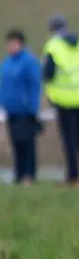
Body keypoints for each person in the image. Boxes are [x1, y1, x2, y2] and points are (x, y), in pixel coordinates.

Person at [42, 15, 79, 186]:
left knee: (69, 139)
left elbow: (48, 73)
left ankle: (73, 176)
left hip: (63, 98)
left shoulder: (53, 46)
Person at [1, 29, 43, 185]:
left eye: (14, 43)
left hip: (25, 110)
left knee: (27, 143)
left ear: (20, 43)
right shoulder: (6, 63)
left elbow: (34, 86)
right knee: (16, 143)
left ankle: (29, 175)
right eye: (9, 43)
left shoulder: (29, 62)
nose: (11, 46)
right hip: (10, 110)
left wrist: (33, 108)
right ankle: (18, 174)